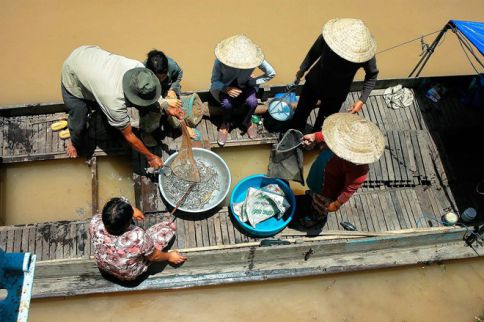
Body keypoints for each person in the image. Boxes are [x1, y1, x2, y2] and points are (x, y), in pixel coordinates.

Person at [61, 45, 183, 168]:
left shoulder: (139, 69)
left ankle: (99, 110)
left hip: (92, 56)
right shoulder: (113, 100)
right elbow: (128, 135)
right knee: (79, 118)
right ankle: (73, 143)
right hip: (73, 71)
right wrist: (150, 157)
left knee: (101, 103)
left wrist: (167, 107)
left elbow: (150, 92)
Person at [291, 18, 379, 133]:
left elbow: (372, 75)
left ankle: (314, 142)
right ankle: (294, 133)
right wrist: (303, 69)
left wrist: (361, 100)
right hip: (314, 83)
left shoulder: (363, 53)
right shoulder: (329, 38)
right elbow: (314, 52)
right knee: (300, 113)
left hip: (336, 94)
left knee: (324, 124)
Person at [299, 112, 384, 227]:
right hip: (321, 168)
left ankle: (315, 218)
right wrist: (315, 136)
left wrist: (335, 205)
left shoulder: (359, 170)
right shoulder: (337, 139)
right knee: (313, 185)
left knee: (319, 206)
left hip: (327, 188)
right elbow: (330, 135)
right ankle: (312, 193)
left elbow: (347, 191)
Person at [89, 197, 187, 282]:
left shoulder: (94, 222)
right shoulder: (138, 236)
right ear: (128, 223)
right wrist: (169, 256)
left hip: (105, 267)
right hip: (129, 275)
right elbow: (153, 257)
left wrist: (131, 209)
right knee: (169, 227)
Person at [210, 34, 276, 146]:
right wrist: (226, 89)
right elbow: (214, 81)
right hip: (226, 86)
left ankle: (247, 121)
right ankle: (226, 124)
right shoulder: (220, 61)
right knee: (226, 104)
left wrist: (253, 81)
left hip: (245, 85)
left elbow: (271, 73)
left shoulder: (253, 59)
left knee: (253, 102)